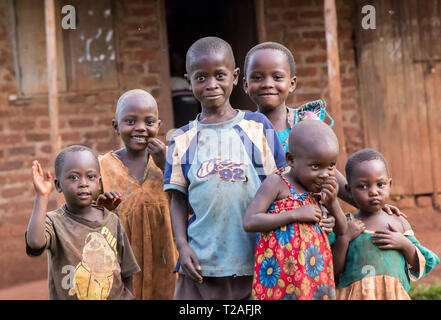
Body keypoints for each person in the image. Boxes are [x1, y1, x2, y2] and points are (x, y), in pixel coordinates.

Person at [164, 36, 286, 300]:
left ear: (235, 76)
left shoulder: (258, 128)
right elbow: (177, 199)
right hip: (201, 266)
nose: (211, 84)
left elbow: (283, 184)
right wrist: (182, 246)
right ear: (188, 82)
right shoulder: (182, 139)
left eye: (220, 75)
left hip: (257, 260)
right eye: (201, 77)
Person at [242, 41, 404, 218]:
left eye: (277, 77)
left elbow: (328, 173)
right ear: (245, 84)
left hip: (312, 221)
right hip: (264, 224)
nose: (267, 84)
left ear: (292, 83)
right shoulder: (241, 129)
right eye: (257, 77)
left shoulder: (305, 124)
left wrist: (376, 205)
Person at [244, 119, 348, 300]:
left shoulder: (320, 191)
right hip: (279, 273)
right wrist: (295, 214)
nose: (325, 174)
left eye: (331, 165)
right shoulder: (277, 183)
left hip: (314, 273)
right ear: (290, 159)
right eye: (315, 166)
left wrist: (332, 205)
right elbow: (250, 221)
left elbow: (342, 230)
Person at [25, 145, 140, 300]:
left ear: (99, 183)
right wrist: (42, 196)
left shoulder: (112, 220)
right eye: (74, 177)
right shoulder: (55, 222)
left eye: (91, 177)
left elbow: (126, 271)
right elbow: (34, 242)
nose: (83, 183)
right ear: (58, 185)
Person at [99, 89, 178, 300]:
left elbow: (189, 202)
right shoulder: (100, 168)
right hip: (119, 268)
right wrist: (102, 207)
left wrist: (167, 165)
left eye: (149, 122)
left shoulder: (172, 160)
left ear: (159, 126)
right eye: (130, 121)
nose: (141, 128)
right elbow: (85, 217)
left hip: (168, 266)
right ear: (115, 126)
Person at [331, 149, 439, 299]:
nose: (373, 192)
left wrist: (404, 244)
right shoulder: (346, 226)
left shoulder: (398, 223)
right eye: (362, 186)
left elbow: (420, 264)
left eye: (380, 184)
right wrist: (344, 239)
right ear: (349, 190)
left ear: (390, 184)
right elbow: (332, 271)